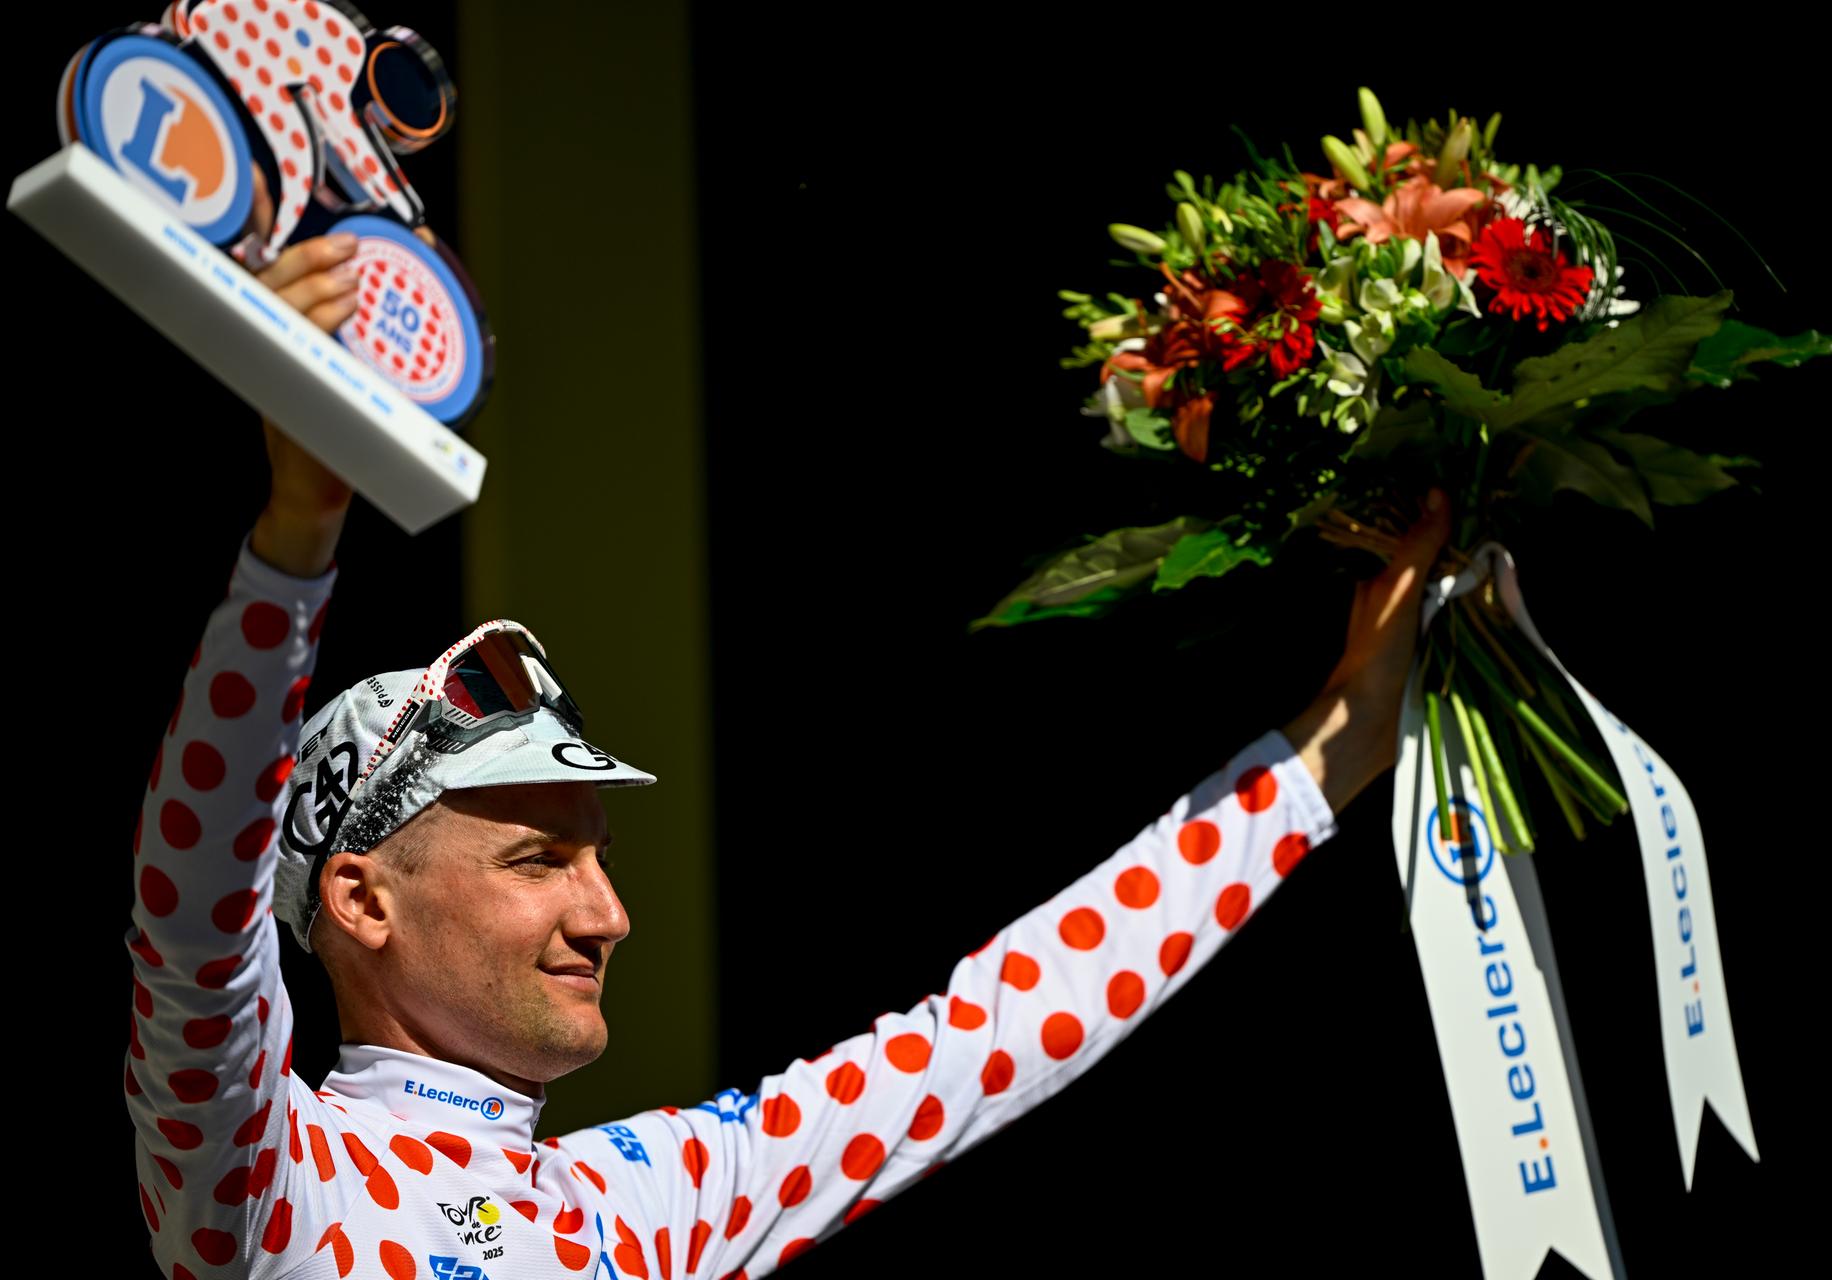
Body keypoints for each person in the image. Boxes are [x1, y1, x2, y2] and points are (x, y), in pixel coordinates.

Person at [125, 208, 1453, 1278]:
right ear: (357, 899)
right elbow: (193, 930)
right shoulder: (269, 1185)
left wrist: (1339, 743)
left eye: (599, 855)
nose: (612, 913)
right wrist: (296, 542)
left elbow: (997, 1024)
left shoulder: (639, 1199)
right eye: (540, 856)